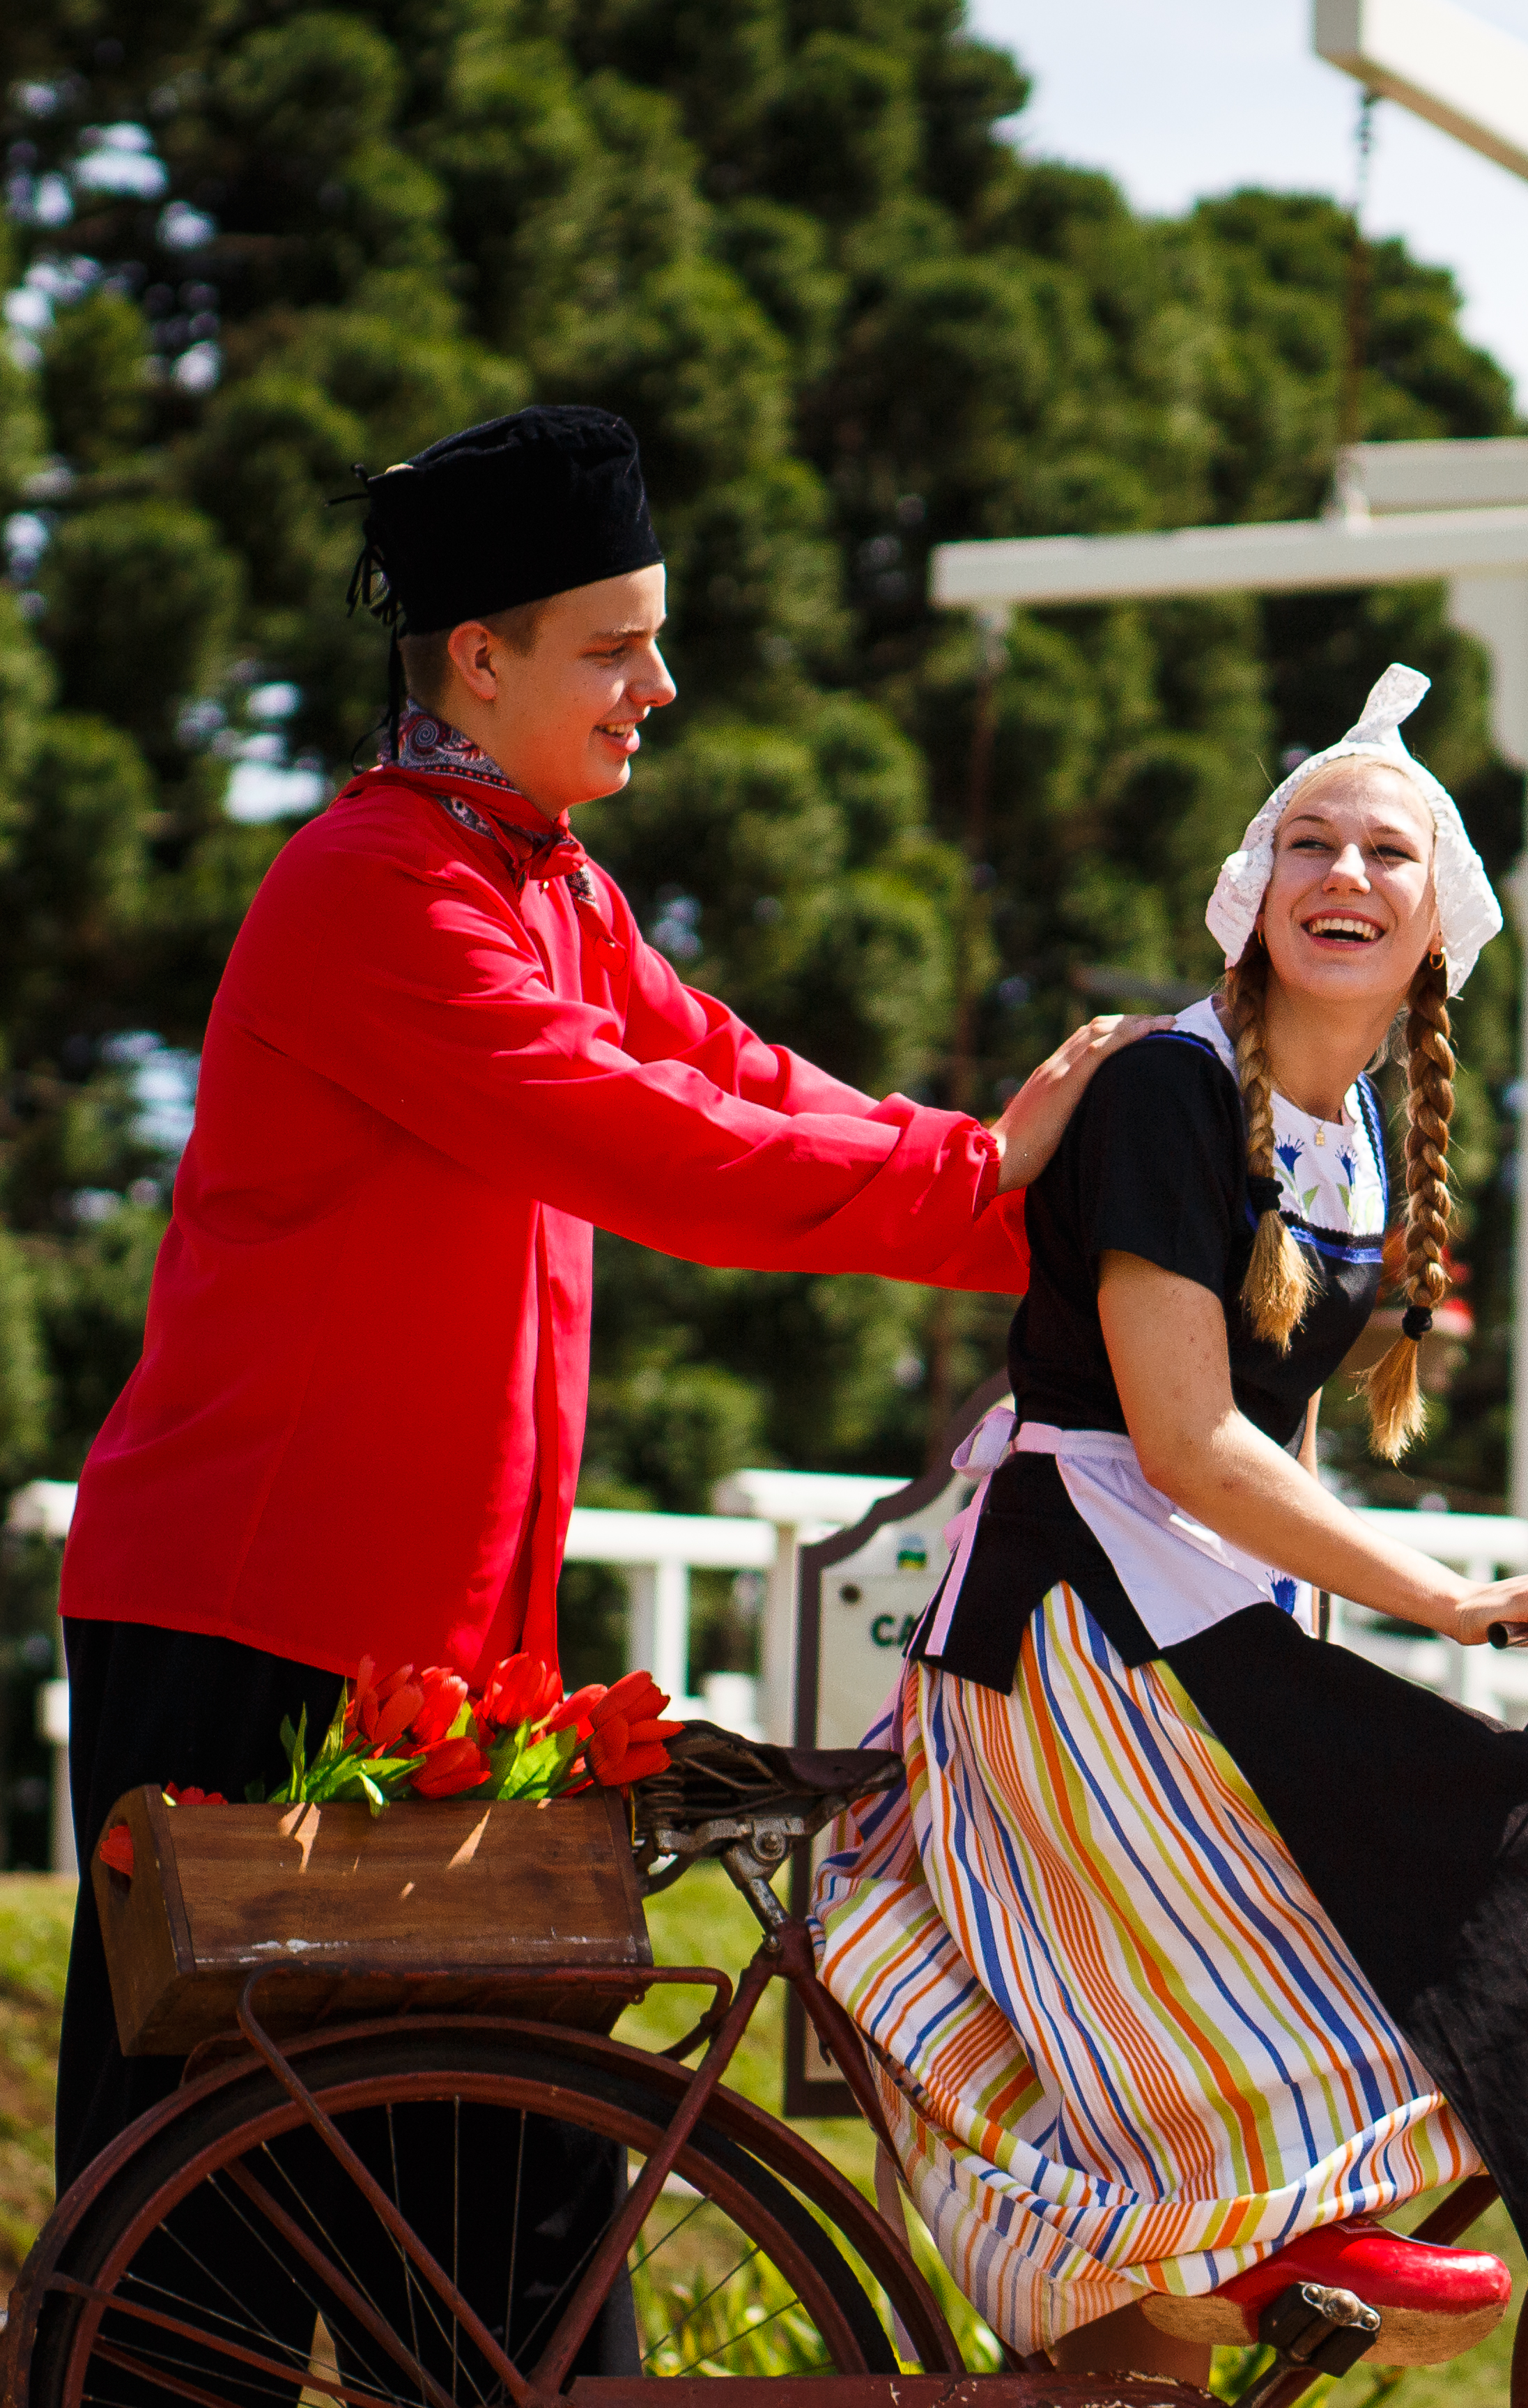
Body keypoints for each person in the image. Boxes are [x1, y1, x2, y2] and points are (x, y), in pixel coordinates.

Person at [54, 406, 1147, 2271]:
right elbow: (655, 1144)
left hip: (452, 1655)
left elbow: (733, 1071)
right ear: (476, 661)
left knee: (509, 2216)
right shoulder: (374, 894)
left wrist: (1030, 1212)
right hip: (249, 1628)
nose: (659, 682)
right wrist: (988, 1185)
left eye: (656, 632)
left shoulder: (553, 884)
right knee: (212, 2249)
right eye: (613, 644)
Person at [819, 665, 1528, 2374]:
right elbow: (1185, 1441)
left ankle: (1287, 2241)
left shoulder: (1360, 1134)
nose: (1345, 875)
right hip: (1074, 1642)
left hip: (1194, 1624)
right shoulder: (1175, 1091)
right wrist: (1454, 1607)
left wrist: (1337, 1641)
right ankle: (1270, 2233)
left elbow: (1284, 1437)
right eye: (1308, 843)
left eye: (1387, 854)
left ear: (1435, 924)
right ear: (1254, 898)